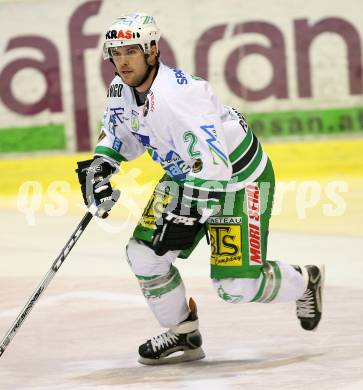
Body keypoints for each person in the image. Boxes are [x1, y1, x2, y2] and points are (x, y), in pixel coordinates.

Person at [76, 12, 324, 365]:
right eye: (115, 53)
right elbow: (119, 132)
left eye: (131, 51)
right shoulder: (121, 89)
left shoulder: (182, 97)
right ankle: (183, 334)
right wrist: (102, 165)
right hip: (185, 177)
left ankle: (305, 280)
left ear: (152, 51)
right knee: (145, 255)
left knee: (235, 287)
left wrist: (187, 213)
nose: (122, 61)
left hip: (238, 182)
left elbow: (216, 167)